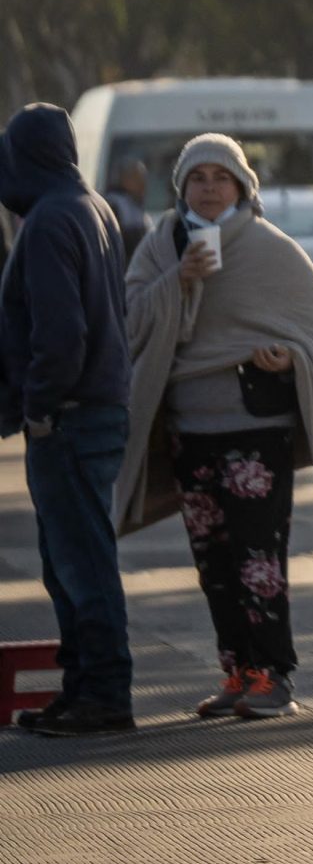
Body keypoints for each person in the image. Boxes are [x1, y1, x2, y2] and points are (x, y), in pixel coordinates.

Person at [116, 135, 313, 720]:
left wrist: (289, 358)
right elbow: (129, 321)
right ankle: (236, 669)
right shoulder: (160, 245)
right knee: (213, 559)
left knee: (259, 556)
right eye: (197, 178)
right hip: (188, 428)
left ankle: (273, 675)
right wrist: (176, 281)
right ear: (181, 188)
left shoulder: (271, 249)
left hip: (254, 429)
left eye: (221, 177)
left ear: (242, 187)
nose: (208, 187)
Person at [0, 103, 136, 737]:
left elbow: (61, 336)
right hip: (93, 412)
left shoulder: (52, 220)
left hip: (71, 419)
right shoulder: (92, 206)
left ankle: (104, 693)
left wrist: (37, 405)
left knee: (82, 564)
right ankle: (82, 687)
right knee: (69, 562)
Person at [103, 158, 150, 261]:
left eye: (143, 179)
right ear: (125, 179)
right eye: (137, 178)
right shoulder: (114, 204)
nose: (142, 184)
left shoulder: (135, 204)